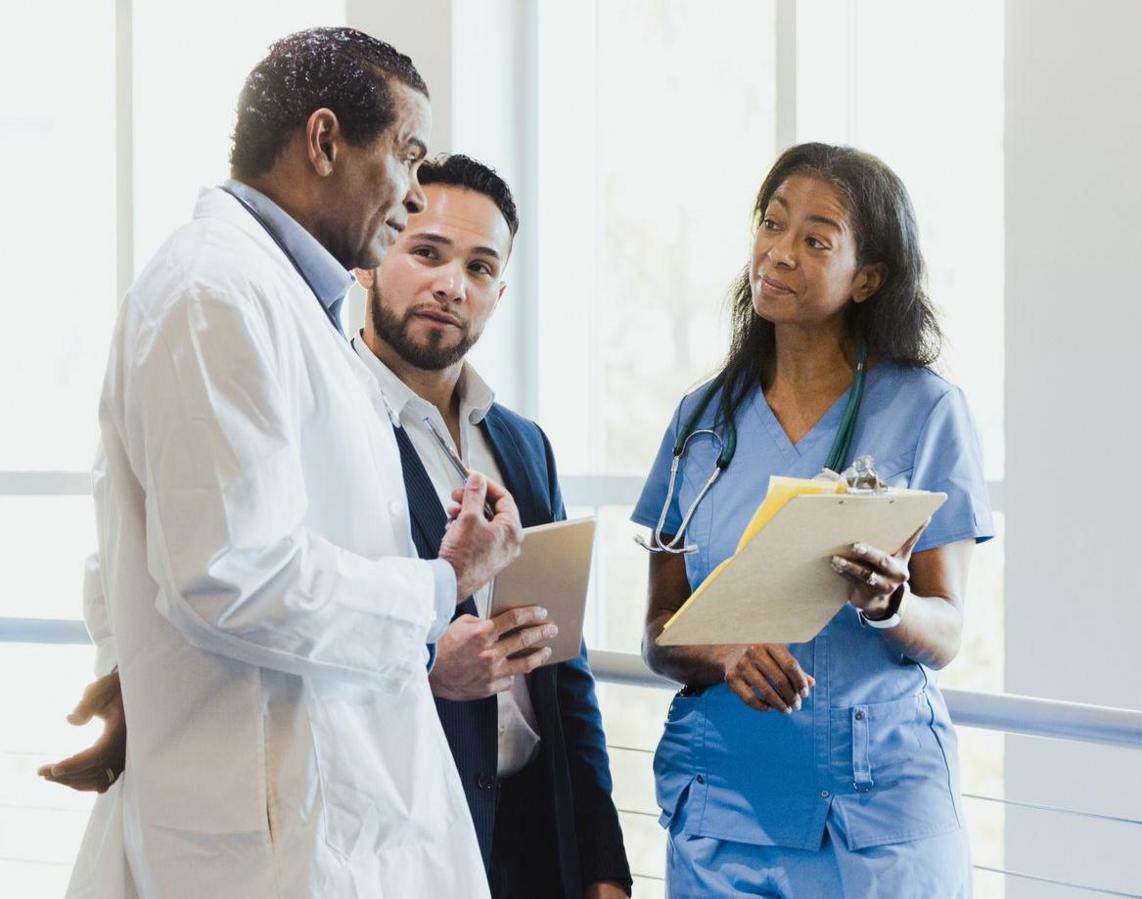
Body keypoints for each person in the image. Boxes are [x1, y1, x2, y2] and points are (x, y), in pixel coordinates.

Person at [56, 28, 521, 898]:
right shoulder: (213, 292)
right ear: (323, 141)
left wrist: (132, 669)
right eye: (407, 157)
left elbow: (135, 538)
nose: (415, 196)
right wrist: (441, 580)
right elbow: (230, 572)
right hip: (275, 840)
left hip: (335, 807)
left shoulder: (302, 303)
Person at [634, 142, 993, 898]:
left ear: (868, 276)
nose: (779, 252)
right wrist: (727, 651)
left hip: (879, 817)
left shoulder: (927, 412)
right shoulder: (701, 422)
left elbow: (948, 630)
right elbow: (660, 629)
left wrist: (890, 603)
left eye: (815, 239)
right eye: (772, 224)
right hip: (725, 815)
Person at [355, 153, 631, 898]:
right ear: (370, 260)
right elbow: (289, 628)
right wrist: (424, 665)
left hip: (537, 840)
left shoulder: (523, 443)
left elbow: (562, 666)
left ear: (498, 292)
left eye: (480, 268)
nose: (452, 284)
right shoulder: (328, 427)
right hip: (405, 837)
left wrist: (602, 862)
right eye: (427, 252)